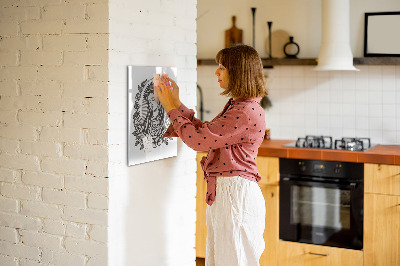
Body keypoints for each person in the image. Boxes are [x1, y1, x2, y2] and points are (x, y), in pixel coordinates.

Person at [155, 44, 267, 266]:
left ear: (238, 72)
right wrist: (176, 103)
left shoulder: (244, 111)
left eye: (222, 67)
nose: (217, 73)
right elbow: (206, 133)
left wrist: (170, 108)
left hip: (235, 197)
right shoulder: (240, 106)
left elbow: (198, 141)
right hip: (230, 195)